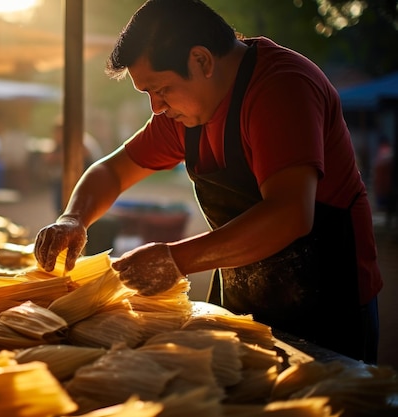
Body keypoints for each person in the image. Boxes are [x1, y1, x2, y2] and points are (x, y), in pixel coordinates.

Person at [33, 0, 382, 364]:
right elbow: (111, 170)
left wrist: (174, 259)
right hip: (244, 300)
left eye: (161, 89)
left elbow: (290, 213)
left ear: (201, 61)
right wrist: (72, 218)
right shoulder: (184, 112)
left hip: (328, 305)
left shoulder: (281, 87)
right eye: (148, 94)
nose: (156, 107)